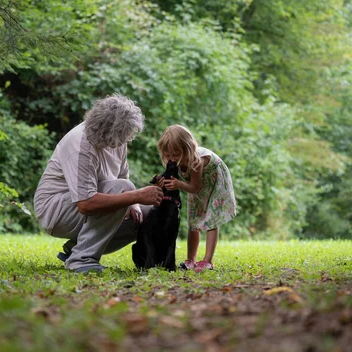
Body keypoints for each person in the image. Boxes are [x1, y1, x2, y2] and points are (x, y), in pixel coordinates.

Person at [33, 95, 164, 273]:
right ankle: (82, 260)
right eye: (124, 133)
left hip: (85, 204)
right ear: (109, 129)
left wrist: (133, 203)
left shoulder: (117, 139)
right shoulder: (81, 145)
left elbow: (122, 175)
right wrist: (134, 196)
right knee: (124, 190)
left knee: (150, 213)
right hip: (55, 210)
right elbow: (85, 204)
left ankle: (75, 249)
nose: (127, 139)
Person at [156, 124, 236, 273]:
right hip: (197, 185)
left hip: (215, 183)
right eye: (168, 155)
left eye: (176, 154)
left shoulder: (196, 161)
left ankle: (207, 261)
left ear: (187, 149)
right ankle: (191, 260)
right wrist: (162, 181)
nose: (172, 159)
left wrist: (179, 184)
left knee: (211, 220)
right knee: (194, 221)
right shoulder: (175, 159)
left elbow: (195, 187)